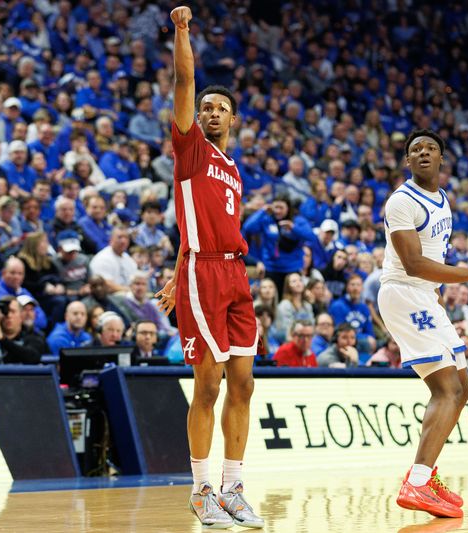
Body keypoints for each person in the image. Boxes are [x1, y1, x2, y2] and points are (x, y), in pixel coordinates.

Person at [154, 7, 263, 529]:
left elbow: (190, 225)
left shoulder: (234, 169)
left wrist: (173, 272)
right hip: (204, 275)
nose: (211, 112)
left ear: (234, 119)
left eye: (221, 108)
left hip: (235, 274)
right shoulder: (190, 149)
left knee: (243, 383)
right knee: (209, 384)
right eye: (205, 107)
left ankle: (234, 485)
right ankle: (201, 491)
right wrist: (182, 32)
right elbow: (184, 78)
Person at [377, 129, 468, 518]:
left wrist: (437, 295)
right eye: (415, 149)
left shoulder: (443, 199)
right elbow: (413, 264)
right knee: (446, 389)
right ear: (407, 161)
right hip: (402, 292)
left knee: (463, 388)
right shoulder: (401, 200)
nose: (422, 153)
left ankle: (425, 475)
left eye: (430, 148)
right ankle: (417, 483)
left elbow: (431, 261)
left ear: (441, 159)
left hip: (425, 297)